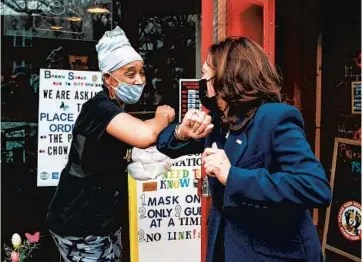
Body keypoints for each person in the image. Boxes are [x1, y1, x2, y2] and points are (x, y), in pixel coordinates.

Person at [157, 37, 332, 262]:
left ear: (226, 78)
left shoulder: (274, 118)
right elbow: (165, 145)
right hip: (226, 248)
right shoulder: (218, 122)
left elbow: (315, 187)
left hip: (274, 253)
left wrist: (232, 175)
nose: (201, 82)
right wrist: (181, 132)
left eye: (204, 75)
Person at [46, 26, 175, 262]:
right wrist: (163, 115)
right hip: (80, 223)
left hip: (104, 220)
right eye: (130, 74)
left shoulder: (119, 109)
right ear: (108, 78)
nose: (139, 80)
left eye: (141, 73)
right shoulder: (99, 108)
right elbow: (144, 134)